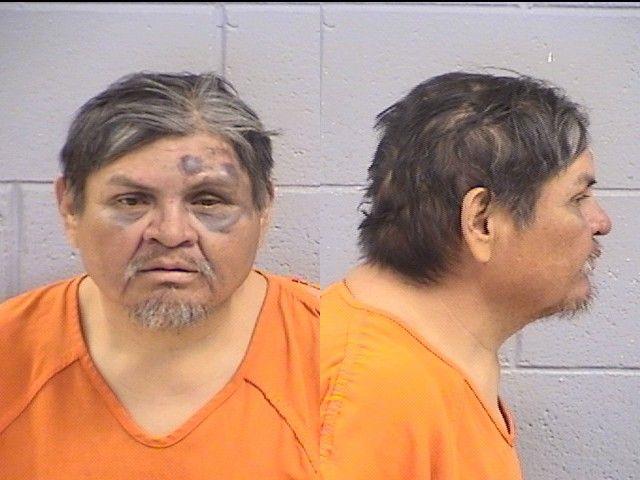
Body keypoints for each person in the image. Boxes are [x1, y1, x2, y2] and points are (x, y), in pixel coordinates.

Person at [0, 72, 319, 479]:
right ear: (70, 209)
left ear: (263, 209)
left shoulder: (342, 362)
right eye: (131, 201)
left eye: (208, 201)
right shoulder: (10, 355)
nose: (171, 233)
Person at [319, 72, 612, 479]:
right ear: (482, 222)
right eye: (577, 198)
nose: (601, 223)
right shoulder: (373, 398)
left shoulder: (421, 370)